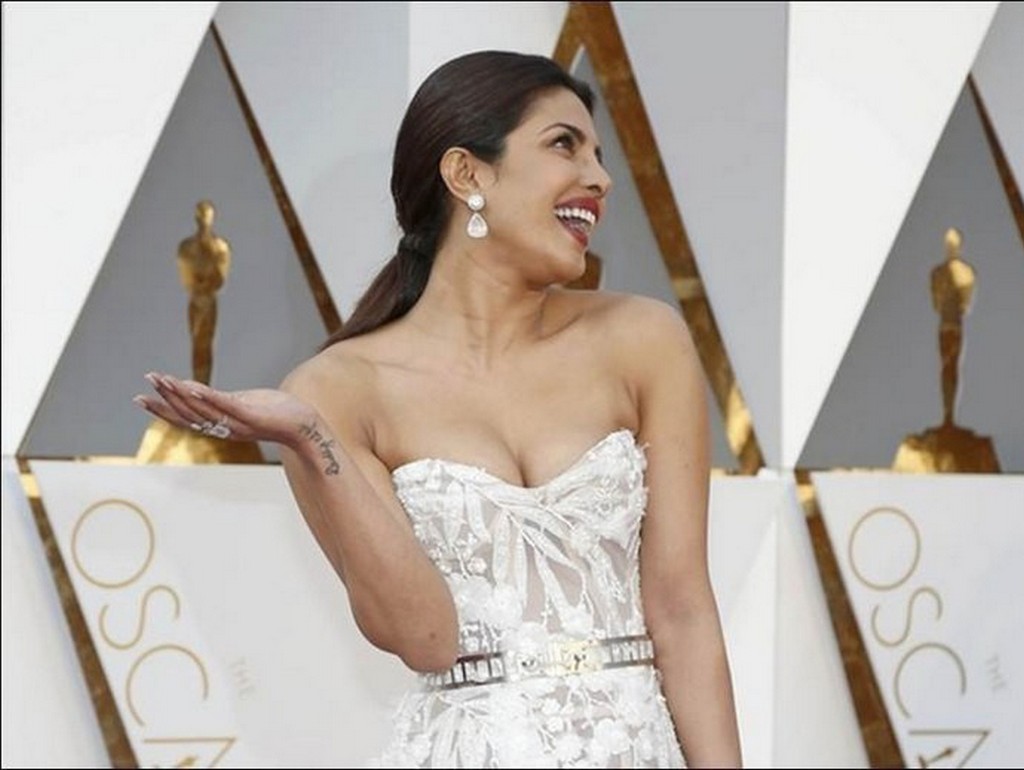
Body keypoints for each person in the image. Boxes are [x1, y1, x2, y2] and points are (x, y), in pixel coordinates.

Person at [135, 50, 742, 768]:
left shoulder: (645, 340)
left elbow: (682, 610)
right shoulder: (335, 391)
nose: (600, 178)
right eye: (564, 144)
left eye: (599, 156)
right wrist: (309, 438)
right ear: (466, 174)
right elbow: (424, 637)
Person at [177, 199, 232, 385]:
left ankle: (203, 387)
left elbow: (219, 280)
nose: (204, 221)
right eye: (201, 217)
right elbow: (188, 281)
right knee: (198, 343)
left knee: (206, 343)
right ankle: (199, 386)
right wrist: (202, 285)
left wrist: (205, 284)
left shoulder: (221, 248)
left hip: (208, 301)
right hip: (197, 301)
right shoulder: (186, 249)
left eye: (207, 217)